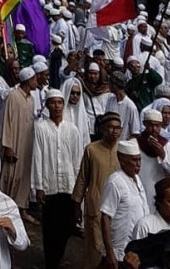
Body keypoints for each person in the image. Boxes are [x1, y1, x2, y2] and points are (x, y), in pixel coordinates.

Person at [31, 89, 83, 269]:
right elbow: (37, 157)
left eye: (60, 102)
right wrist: (38, 186)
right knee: (50, 226)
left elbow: (77, 159)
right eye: (53, 102)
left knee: (66, 224)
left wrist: (78, 186)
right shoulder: (41, 127)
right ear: (47, 105)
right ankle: (51, 261)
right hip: (49, 184)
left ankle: (59, 256)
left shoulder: (72, 130)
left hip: (68, 184)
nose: (57, 106)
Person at [71, 112, 122, 267]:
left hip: (118, 210)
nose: (114, 131)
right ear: (102, 129)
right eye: (110, 127)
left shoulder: (123, 150)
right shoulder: (92, 149)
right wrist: (76, 205)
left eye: (117, 128)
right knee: (94, 251)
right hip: (96, 208)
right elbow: (82, 179)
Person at [100, 139, 150, 267]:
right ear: (122, 160)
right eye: (134, 160)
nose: (138, 164)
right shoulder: (115, 182)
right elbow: (105, 217)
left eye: (139, 160)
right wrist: (110, 253)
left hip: (135, 251)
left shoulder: (137, 180)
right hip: (119, 252)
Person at [0, 66, 37, 224]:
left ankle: (22, 209)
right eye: (34, 79)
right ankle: (4, 210)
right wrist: (8, 146)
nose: (36, 81)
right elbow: (6, 122)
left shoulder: (32, 98)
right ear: (28, 80)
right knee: (9, 176)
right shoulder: (13, 96)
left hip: (27, 144)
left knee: (24, 177)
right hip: (14, 142)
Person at [137, 109, 170, 213]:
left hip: (160, 195)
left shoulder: (166, 146)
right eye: (151, 125)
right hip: (140, 191)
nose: (154, 129)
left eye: (157, 126)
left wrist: (163, 156)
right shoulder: (135, 143)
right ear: (144, 124)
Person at [105, 71, 141, 141]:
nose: (108, 85)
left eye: (110, 83)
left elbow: (135, 133)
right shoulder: (110, 100)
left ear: (115, 85)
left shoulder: (130, 107)